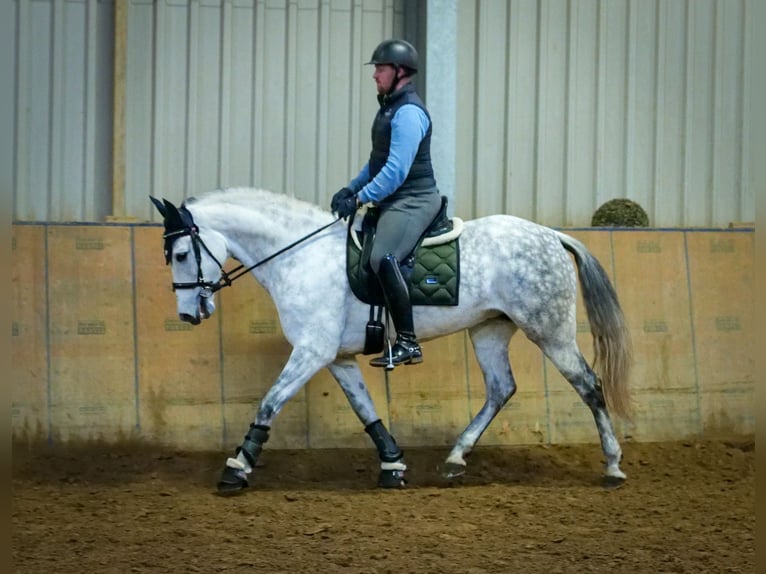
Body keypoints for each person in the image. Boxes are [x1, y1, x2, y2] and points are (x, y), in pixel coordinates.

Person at [331, 39, 442, 368]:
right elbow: (377, 162)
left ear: (400, 72)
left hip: (414, 200)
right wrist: (350, 188)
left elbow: (395, 172)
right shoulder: (389, 107)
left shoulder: (408, 112)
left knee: (382, 256)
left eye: (380, 68)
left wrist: (361, 198)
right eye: (376, 69)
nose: (375, 75)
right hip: (395, 199)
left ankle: (408, 342)